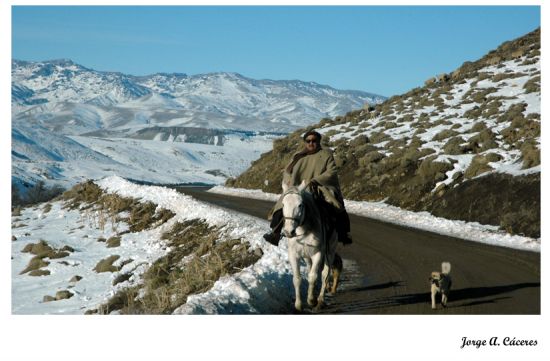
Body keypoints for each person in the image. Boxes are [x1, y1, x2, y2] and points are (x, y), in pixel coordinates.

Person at [263, 130, 352, 246]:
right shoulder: (299, 156)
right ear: (305, 142)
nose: (311, 143)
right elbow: (287, 171)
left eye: (314, 141)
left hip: (318, 188)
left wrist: (315, 180)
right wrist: (290, 180)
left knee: (335, 207)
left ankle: (341, 234)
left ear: (318, 141)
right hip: (298, 189)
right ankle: (275, 233)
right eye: (308, 141)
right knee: (283, 206)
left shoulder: (326, 155)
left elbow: (332, 171)